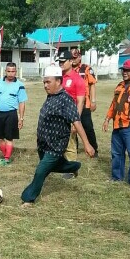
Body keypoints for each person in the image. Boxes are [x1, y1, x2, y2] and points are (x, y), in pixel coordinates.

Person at [20, 65, 95, 206]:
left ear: (59, 81)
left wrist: (87, 144)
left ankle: (28, 198)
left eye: (48, 82)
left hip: (56, 145)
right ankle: (74, 166)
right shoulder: (51, 96)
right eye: (44, 82)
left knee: (41, 171)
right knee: (54, 166)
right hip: (43, 144)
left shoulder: (66, 100)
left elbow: (77, 122)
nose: (45, 85)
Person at [0, 62, 28, 166]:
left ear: (16, 72)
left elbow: (22, 103)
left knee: (9, 137)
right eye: (9, 71)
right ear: (5, 71)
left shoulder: (20, 85)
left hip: (11, 114)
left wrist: (21, 118)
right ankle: (5, 155)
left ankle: (7, 158)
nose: (11, 73)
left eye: (13, 71)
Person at [57, 50, 87, 179]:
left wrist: (76, 120)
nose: (61, 64)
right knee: (59, 142)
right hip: (58, 115)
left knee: (70, 143)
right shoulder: (59, 77)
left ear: (71, 61)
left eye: (64, 62)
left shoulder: (77, 79)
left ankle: (71, 169)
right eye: (60, 62)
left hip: (70, 116)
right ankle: (61, 165)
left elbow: (80, 101)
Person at [72, 48, 99, 158]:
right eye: (71, 58)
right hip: (72, 104)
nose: (73, 60)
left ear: (79, 57)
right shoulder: (67, 69)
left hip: (85, 104)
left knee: (87, 127)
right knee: (72, 128)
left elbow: (92, 84)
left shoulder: (86, 69)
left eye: (75, 57)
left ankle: (94, 149)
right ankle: (74, 150)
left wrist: (93, 101)